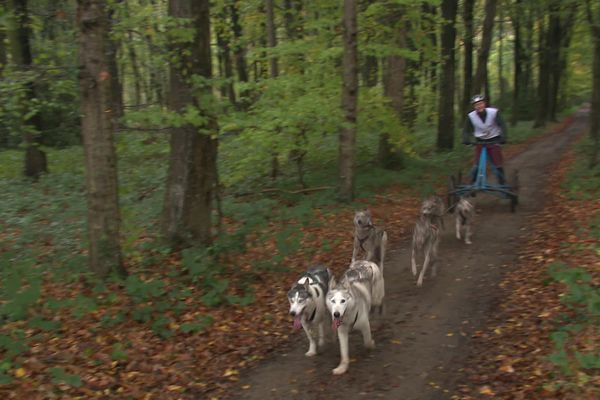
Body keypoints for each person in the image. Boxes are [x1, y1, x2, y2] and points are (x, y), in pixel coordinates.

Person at [462, 94, 508, 184]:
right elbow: (466, 130)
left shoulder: (494, 112)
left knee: (497, 163)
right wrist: (466, 139)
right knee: (477, 164)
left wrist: (503, 137)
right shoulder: (471, 116)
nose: (479, 106)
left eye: (481, 103)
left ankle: (502, 182)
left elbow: (502, 125)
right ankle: (473, 183)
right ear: (474, 107)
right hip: (480, 142)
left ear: (484, 104)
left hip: (494, 140)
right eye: (476, 105)